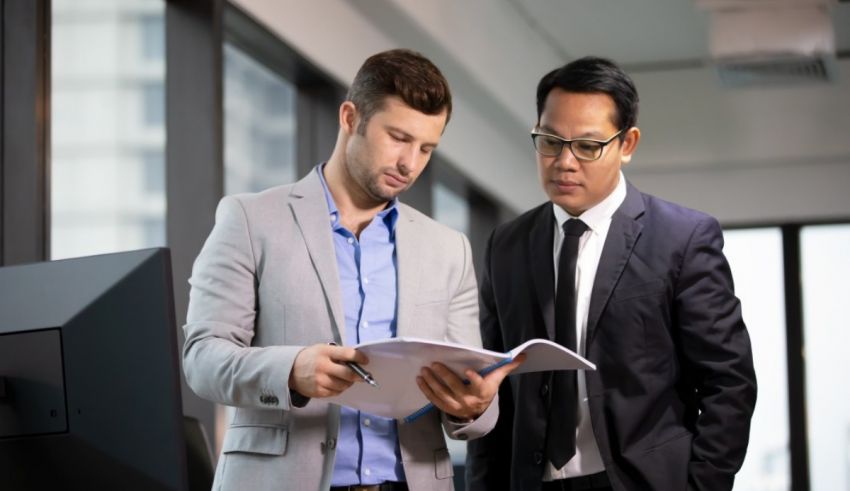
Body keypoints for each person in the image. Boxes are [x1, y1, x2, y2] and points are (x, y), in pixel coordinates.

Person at [182, 49, 521, 491]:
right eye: (398, 137)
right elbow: (202, 358)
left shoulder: (448, 249)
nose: (410, 163)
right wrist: (291, 370)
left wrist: (473, 405)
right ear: (349, 117)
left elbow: (476, 404)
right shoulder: (250, 219)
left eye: (426, 148)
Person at [465, 56, 757, 491]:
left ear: (627, 144)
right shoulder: (506, 245)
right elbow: (492, 385)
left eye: (587, 146)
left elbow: (728, 382)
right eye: (550, 141)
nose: (564, 161)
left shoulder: (681, 239)